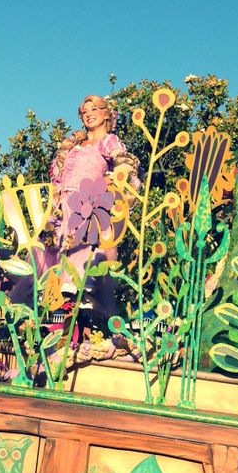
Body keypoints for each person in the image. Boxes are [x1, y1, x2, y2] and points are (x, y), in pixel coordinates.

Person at [37, 95, 139, 318]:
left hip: (87, 209)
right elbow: (57, 178)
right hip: (62, 208)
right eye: (85, 111)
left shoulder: (109, 142)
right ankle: (61, 329)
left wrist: (109, 187)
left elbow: (127, 172)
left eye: (95, 109)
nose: (89, 114)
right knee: (49, 265)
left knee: (83, 271)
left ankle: (95, 329)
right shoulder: (73, 145)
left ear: (106, 114)